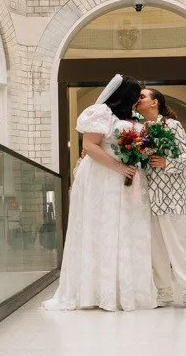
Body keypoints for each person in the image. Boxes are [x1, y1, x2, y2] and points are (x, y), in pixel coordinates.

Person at [42, 75, 156, 311]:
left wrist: (136, 158)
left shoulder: (129, 118)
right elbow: (89, 146)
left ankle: (121, 290)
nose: (138, 100)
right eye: (136, 95)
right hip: (101, 177)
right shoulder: (101, 112)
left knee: (124, 228)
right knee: (101, 228)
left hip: (124, 179)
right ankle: (96, 291)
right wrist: (119, 166)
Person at [137, 87, 186, 309]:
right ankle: (164, 293)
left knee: (178, 248)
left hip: (173, 197)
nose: (138, 100)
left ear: (155, 102)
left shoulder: (172, 125)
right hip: (149, 198)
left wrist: (167, 163)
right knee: (156, 250)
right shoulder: (140, 129)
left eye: (143, 97)